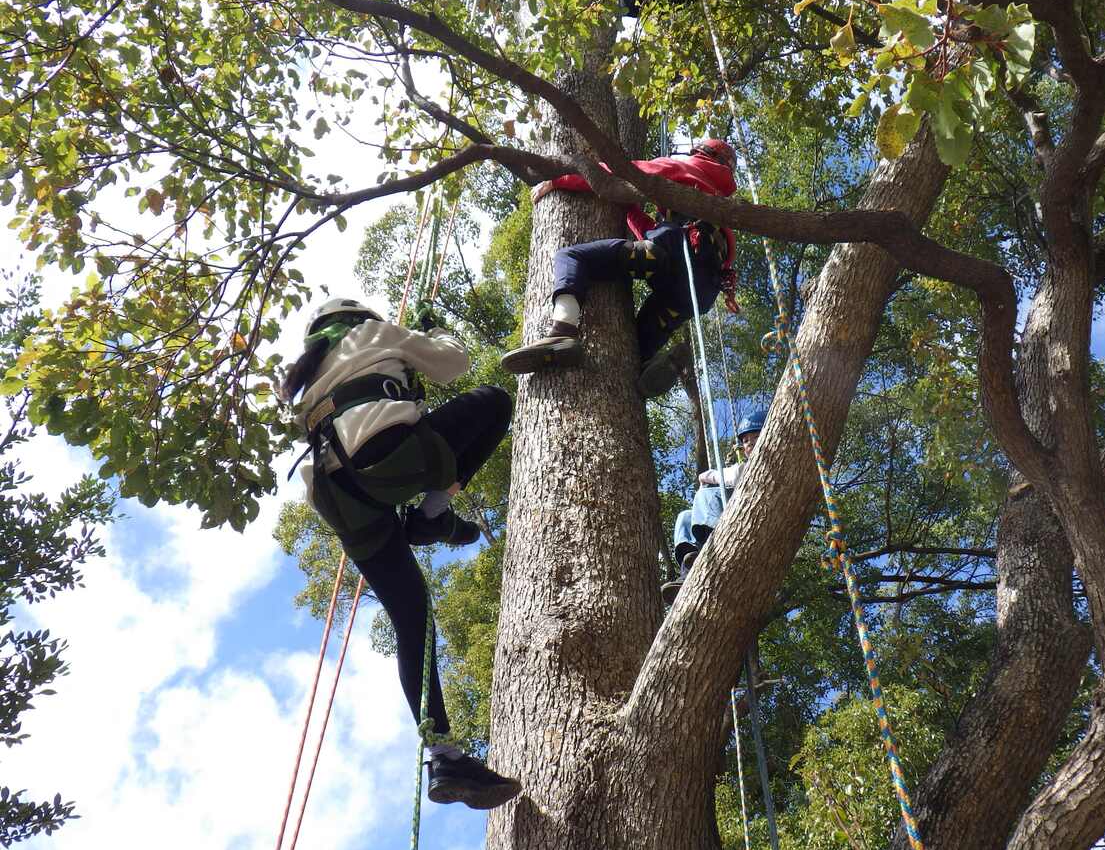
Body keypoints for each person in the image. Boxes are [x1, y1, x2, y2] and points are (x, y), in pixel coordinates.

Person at [279, 297, 520, 809]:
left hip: (341, 499)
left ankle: (444, 756)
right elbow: (455, 364)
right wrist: (432, 335)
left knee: (413, 620)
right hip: (386, 456)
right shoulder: (372, 334)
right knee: (494, 402)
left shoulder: (307, 377)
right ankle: (432, 515)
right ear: (358, 319)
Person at [500, 138, 740, 398]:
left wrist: (559, 181)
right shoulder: (723, 210)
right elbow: (658, 231)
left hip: (669, 255)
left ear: (701, 153)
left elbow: (620, 174)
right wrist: (629, 208)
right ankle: (645, 368)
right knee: (637, 341)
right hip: (698, 294)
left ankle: (562, 331)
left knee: (571, 257)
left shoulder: (686, 168)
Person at [662, 408, 766, 600]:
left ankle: (710, 547)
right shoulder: (744, 465)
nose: (750, 443)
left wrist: (708, 476)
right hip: (734, 512)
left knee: (706, 496)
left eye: (756, 436)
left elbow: (734, 475)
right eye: (745, 440)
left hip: (752, 516)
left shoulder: (763, 462)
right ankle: (688, 570)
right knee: (685, 517)